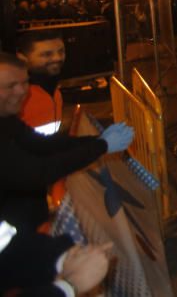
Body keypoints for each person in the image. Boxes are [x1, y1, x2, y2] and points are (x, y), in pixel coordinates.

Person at [0, 53, 134, 234]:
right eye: (10, 86)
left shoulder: (6, 118)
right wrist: (101, 146)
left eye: (25, 82)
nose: (22, 91)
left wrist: (98, 141)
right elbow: (39, 171)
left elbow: (42, 145)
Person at [16, 30, 67, 138]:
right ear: (22, 59)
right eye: (47, 54)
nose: (57, 58)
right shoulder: (15, 96)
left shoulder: (55, 92)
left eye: (61, 51)